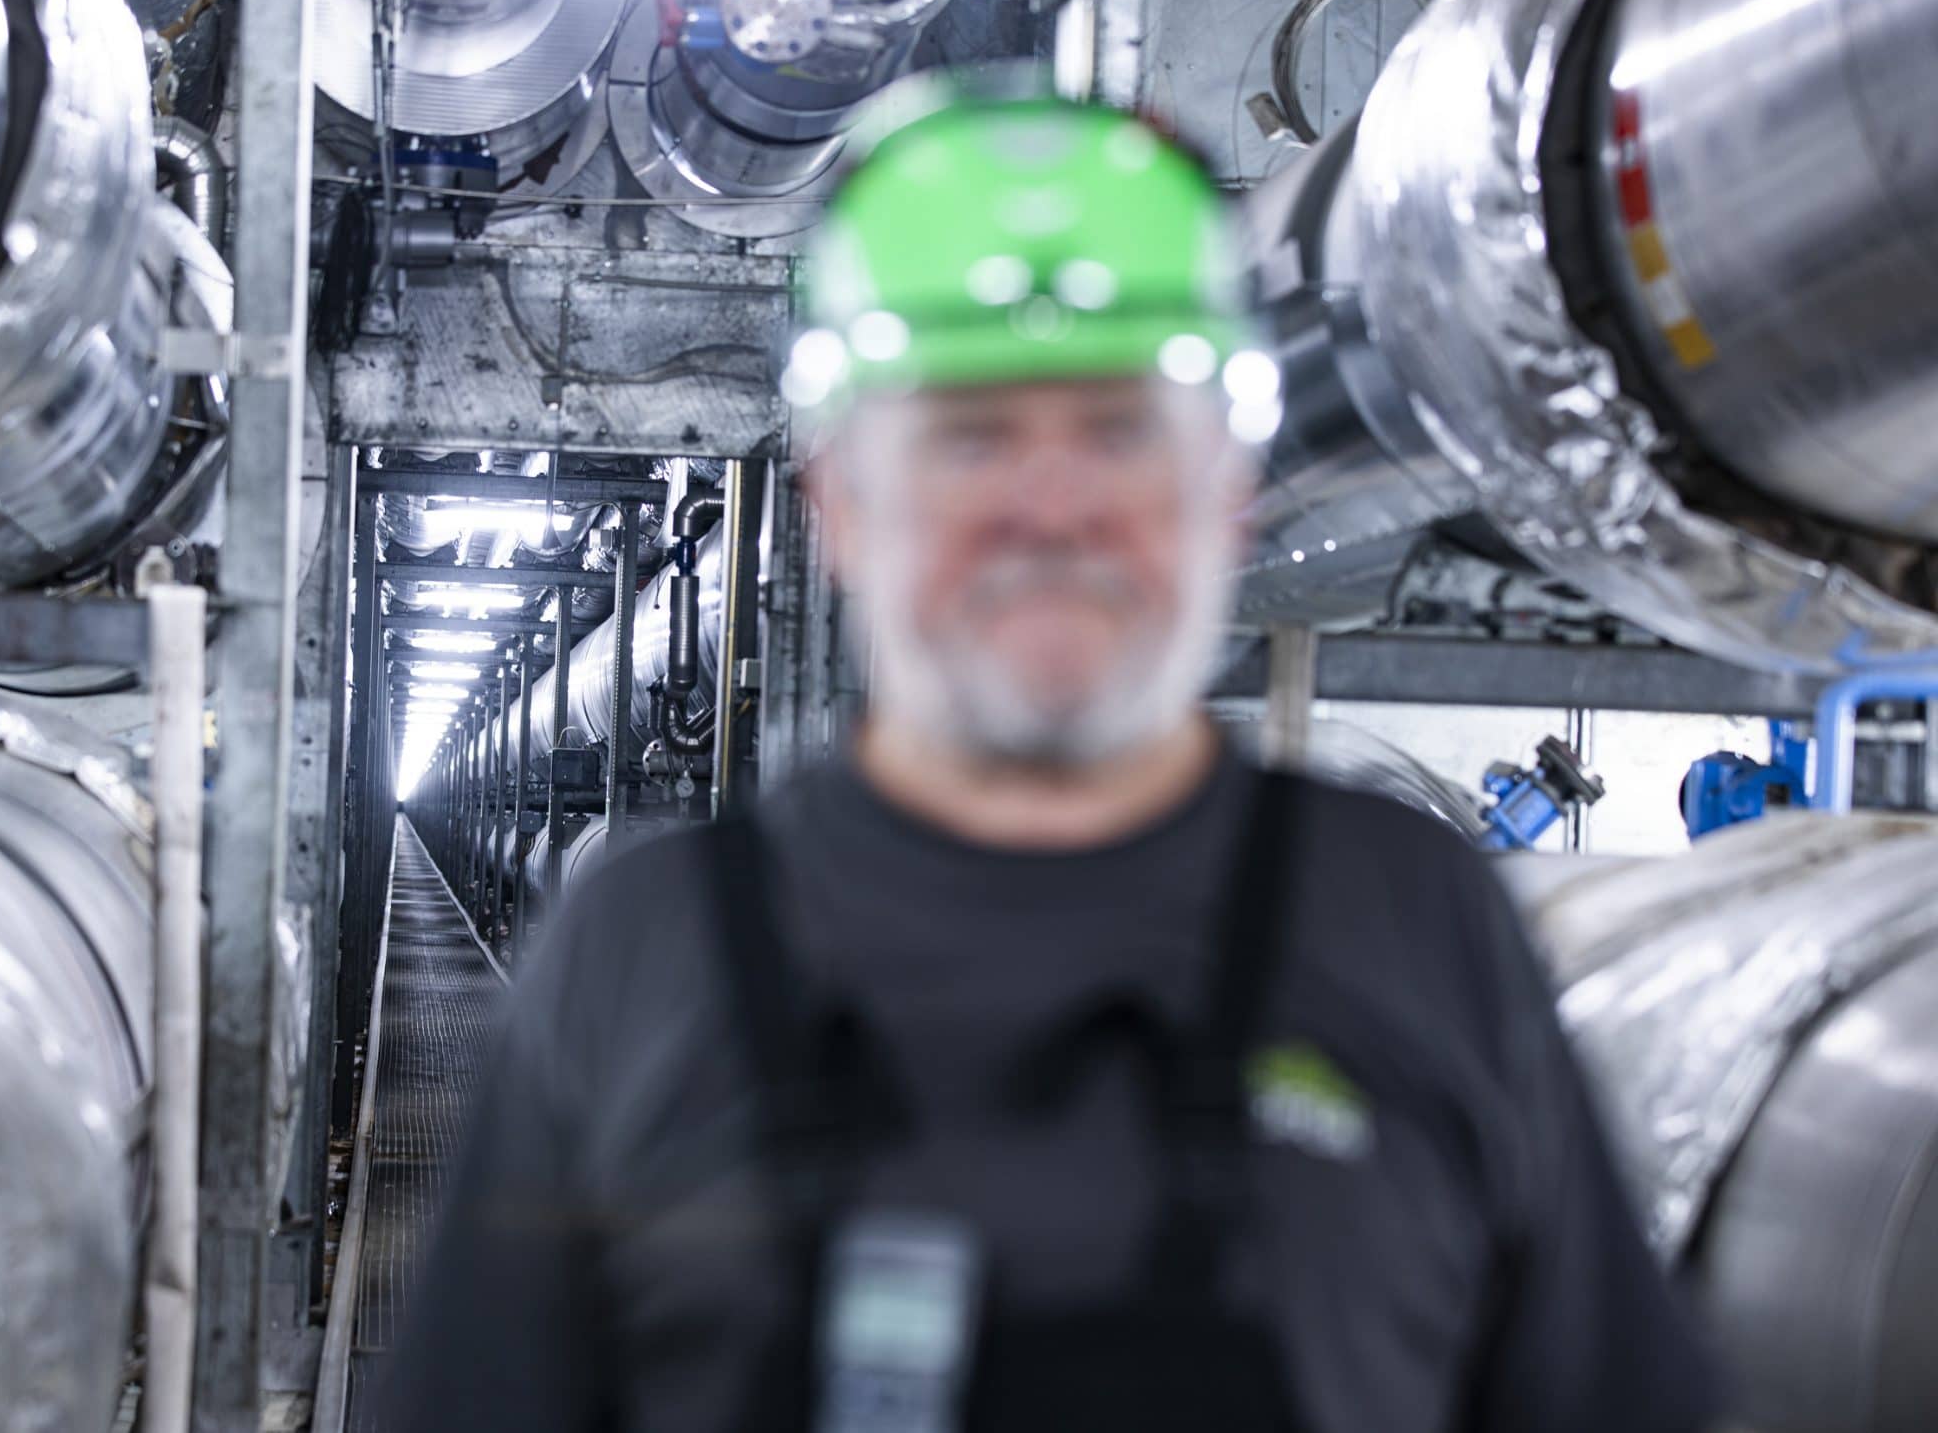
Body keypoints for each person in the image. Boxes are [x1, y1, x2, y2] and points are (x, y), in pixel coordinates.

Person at [379, 82, 1722, 1433]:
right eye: (973, 435)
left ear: (1232, 490)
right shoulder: (642, 956)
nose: (1053, 504)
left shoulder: (1419, 929)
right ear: (838, 503)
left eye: (1120, 429)